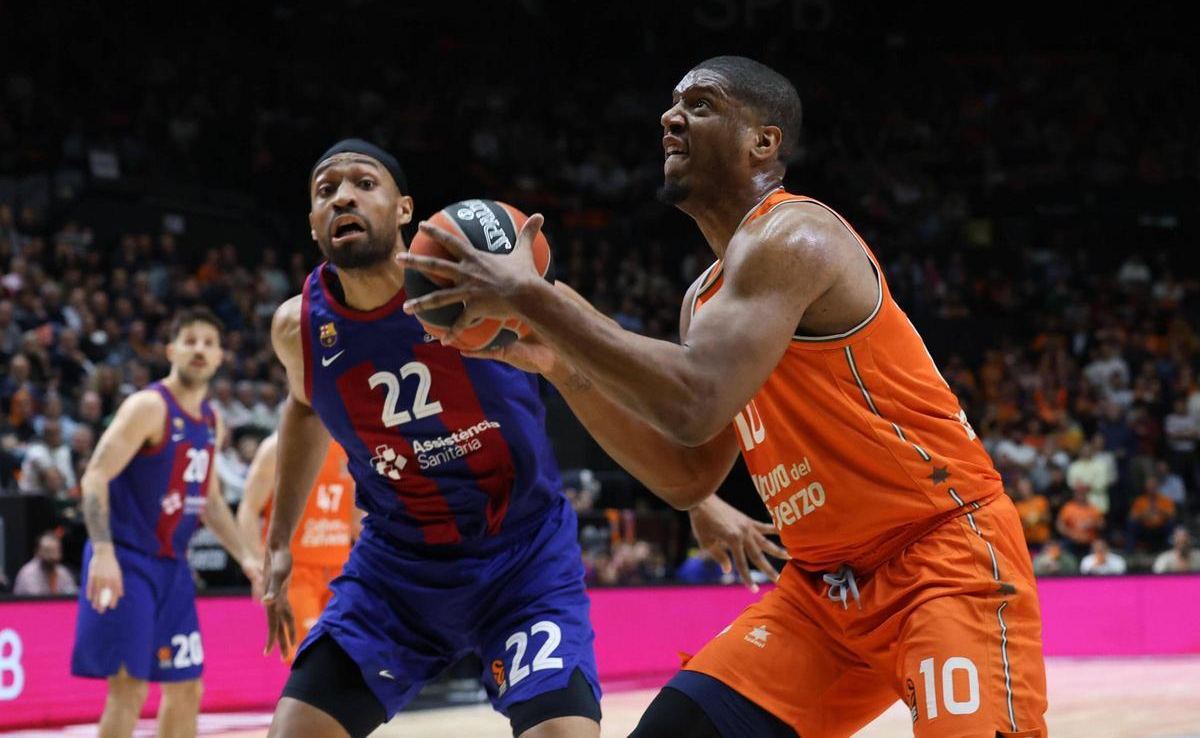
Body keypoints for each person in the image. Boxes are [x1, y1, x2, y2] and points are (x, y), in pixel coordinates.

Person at [401, 56, 1048, 737]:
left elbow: (696, 399)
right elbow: (688, 473)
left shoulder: (796, 236)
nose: (669, 117)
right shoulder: (703, 299)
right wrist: (564, 366)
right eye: (672, 104)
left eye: (701, 105)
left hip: (941, 557)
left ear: (762, 142)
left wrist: (536, 296)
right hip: (826, 592)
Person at [259, 138, 779, 738]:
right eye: (326, 191)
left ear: (405, 210)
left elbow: (622, 378)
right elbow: (303, 408)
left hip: (522, 560)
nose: (343, 196)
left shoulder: (498, 286)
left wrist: (699, 498)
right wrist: (279, 542)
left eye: (362, 183)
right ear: (312, 224)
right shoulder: (299, 327)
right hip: (397, 571)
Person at [70, 307, 261, 738]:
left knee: (187, 686)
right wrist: (102, 552)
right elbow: (96, 474)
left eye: (209, 343)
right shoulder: (148, 406)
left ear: (219, 358)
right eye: (191, 340)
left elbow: (209, 501)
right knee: (129, 689)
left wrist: (248, 557)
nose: (200, 349)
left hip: (172, 569)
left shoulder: (212, 421)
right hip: (126, 559)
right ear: (172, 350)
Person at [237, 431, 356, 655]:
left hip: (343, 569)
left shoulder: (351, 442)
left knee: (347, 658)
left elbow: (357, 515)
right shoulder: (278, 446)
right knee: (309, 658)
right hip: (295, 570)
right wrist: (256, 563)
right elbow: (249, 509)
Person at [13, 530, 78, 596]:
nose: (51, 555)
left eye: (55, 550)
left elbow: (72, 596)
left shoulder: (64, 573)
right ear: (37, 552)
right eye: (47, 550)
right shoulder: (28, 573)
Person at [1056, 483, 1105, 559]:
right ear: (1075, 494)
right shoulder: (1068, 507)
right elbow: (1060, 525)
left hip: (1089, 542)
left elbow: (1102, 524)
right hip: (1072, 542)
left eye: (1083, 493)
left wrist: (1093, 523)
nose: (1081, 495)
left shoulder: (1093, 509)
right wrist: (1071, 534)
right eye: (1078, 493)